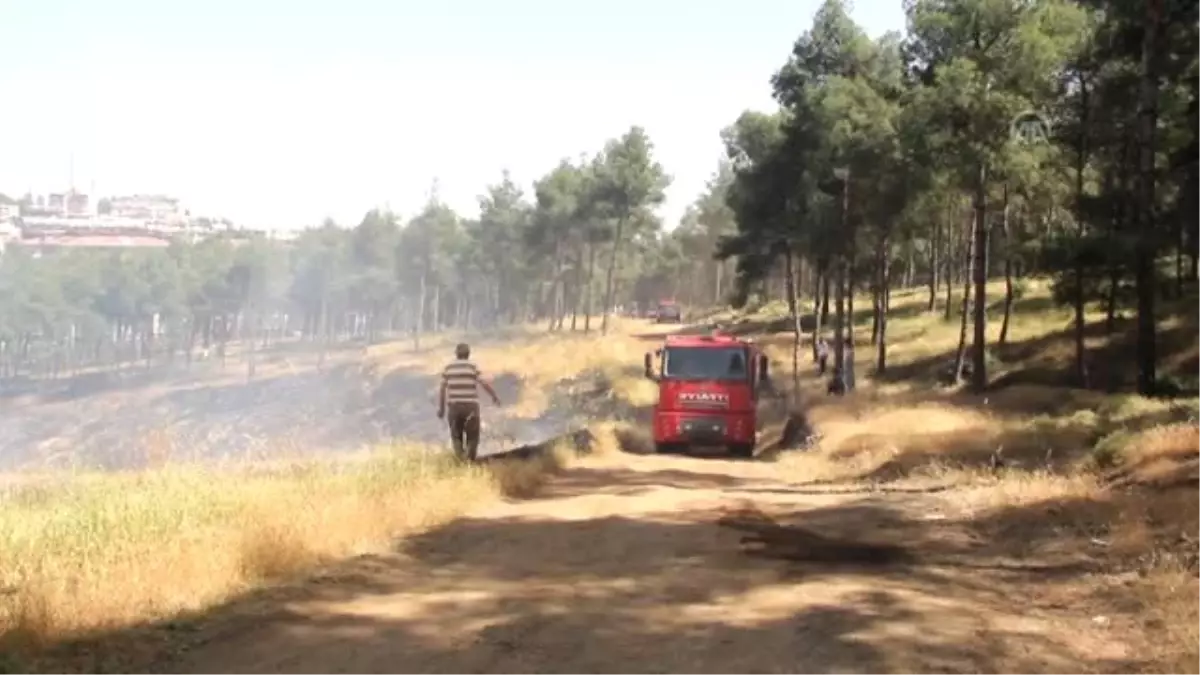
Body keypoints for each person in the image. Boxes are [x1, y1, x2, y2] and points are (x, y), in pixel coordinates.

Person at [437, 343, 501, 461]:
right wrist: (494, 397)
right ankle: (469, 460)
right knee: (472, 436)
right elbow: (484, 383)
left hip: (454, 407)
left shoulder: (448, 368)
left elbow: (442, 389)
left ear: (456, 354)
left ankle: (461, 459)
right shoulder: (472, 367)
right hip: (471, 407)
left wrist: (441, 409)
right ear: (468, 354)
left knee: (456, 436)